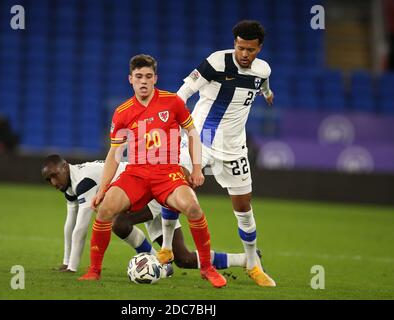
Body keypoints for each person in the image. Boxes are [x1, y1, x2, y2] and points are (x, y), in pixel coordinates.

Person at [79, 54, 227, 288]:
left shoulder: (173, 102)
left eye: (148, 76)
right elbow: (114, 155)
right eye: (139, 77)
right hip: (136, 174)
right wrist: (103, 189)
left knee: (193, 207)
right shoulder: (122, 112)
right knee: (105, 209)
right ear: (131, 79)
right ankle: (94, 270)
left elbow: (192, 134)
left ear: (155, 78)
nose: (144, 81)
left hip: (167, 173)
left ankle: (207, 268)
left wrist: (197, 168)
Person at [162, 20, 276, 287]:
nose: (244, 54)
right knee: (174, 188)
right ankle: (166, 251)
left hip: (235, 148)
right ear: (234, 43)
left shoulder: (263, 69)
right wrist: (173, 124)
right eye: (240, 48)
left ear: (259, 48)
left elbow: (264, 84)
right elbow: (183, 93)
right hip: (201, 138)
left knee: (243, 208)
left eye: (250, 49)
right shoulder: (215, 62)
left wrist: (268, 94)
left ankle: (252, 264)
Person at [41, 155, 261, 273]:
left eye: (54, 175)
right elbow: (70, 224)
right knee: (183, 258)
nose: (53, 182)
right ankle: (244, 259)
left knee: (119, 223)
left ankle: (153, 263)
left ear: (65, 167)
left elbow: (81, 227)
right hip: (138, 199)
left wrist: (72, 267)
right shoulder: (70, 185)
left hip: (149, 188)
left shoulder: (84, 181)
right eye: (48, 179)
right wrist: (65, 260)